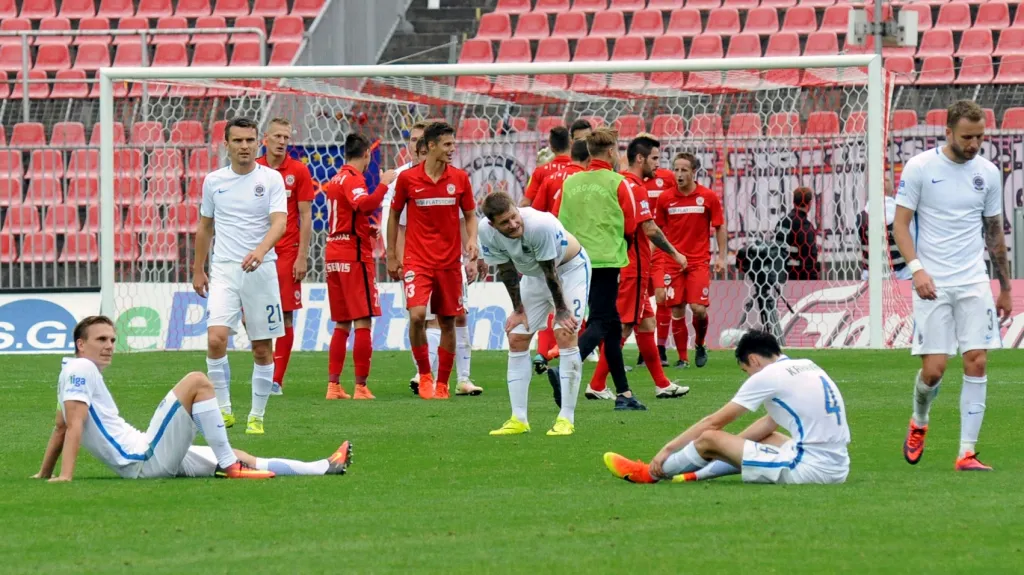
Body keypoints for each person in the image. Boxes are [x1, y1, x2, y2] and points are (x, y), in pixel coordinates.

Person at [32, 316, 352, 481]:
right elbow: (73, 426)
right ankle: (230, 466)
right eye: (101, 339)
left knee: (238, 453)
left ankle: (323, 467)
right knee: (197, 381)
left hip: (146, 456)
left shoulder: (71, 372)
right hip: (143, 459)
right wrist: (65, 476)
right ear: (80, 344)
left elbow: (60, 427)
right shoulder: (81, 368)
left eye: (113, 339)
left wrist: (45, 473)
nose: (109, 345)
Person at [892, 99, 1011, 472]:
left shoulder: (989, 173)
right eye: (967, 137)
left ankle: (967, 452)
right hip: (933, 282)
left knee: (977, 361)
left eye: (980, 137)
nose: (974, 144)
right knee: (935, 370)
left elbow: (994, 232)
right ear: (948, 132)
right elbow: (899, 224)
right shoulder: (921, 167)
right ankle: (919, 421)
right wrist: (917, 270)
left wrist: (1004, 286)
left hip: (974, 279)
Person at [603, 330, 850, 485]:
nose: (748, 376)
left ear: (753, 360)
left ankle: (649, 473)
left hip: (811, 470)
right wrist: (726, 449)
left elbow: (713, 423)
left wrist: (668, 449)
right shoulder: (806, 364)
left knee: (709, 438)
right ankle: (694, 473)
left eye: (746, 371)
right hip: (838, 464)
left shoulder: (768, 376)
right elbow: (769, 422)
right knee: (766, 437)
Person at [193, 117, 286, 435]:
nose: (244, 146)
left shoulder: (271, 179)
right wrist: (197, 269)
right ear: (226, 145)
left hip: (262, 270)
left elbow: (279, 223)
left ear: (258, 142)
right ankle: (224, 410)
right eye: (238, 141)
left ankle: (257, 416)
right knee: (216, 338)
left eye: (250, 140)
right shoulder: (213, 181)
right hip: (224, 271)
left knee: (261, 347)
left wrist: (260, 252)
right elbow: (205, 226)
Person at [580, 136, 689, 400]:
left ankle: (662, 384)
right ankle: (595, 384)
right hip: (634, 267)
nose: (658, 165)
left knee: (646, 323)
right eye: (654, 158)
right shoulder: (631, 186)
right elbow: (649, 228)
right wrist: (676, 254)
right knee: (622, 327)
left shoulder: (618, 184)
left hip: (622, 264)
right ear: (640, 159)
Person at [480, 193, 591, 436]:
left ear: (517, 208)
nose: (513, 224)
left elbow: (550, 272)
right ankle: (518, 419)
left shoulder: (540, 225)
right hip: (534, 276)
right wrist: (518, 309)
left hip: (569, 270)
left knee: (565, 333)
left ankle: (566, 419)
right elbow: (506, 269)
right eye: (505, 223)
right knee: (517, 338)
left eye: (514, 216)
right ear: (492, 225)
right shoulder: (485, 232)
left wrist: (561, 311)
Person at [386, 121, 480, 400]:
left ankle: (443, 384)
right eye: (447, 144)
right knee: (416, 316)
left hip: (450, 263)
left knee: (448, 322)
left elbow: (471, 215)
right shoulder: (408, 179)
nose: (453, 149)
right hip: (417, 260)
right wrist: (392, 254)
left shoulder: (460, 178)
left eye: (453, 144)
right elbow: (394, 216)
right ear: (430, 147)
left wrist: (472, 240)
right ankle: (425, 374)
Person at [553, 127, 645, 411]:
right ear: (610, 152)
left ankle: (624, 394)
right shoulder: (619, 183)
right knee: (602, 323)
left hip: (576, 260)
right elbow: (632, 223)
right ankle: (567, 366)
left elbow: (559, 219)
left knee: (612, 325)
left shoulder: (570, 183)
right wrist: (622, 243)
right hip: (606, 260)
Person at [321, 133, 396, 400]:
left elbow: (348, 216)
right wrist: (384, 184)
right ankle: (361, 386)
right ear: (366, 154)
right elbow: (364, 205)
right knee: (363, 319)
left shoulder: (334, 180)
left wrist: (366, 230)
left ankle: (333, 386)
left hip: (334, 254)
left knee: (342, 323)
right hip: (353, 257)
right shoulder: (353, 178)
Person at [255, 117, 315, 397]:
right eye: (277, 136)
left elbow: (305, 216)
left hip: (287, 253)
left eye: (286, 137)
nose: (282, 141)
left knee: (286, 316)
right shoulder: (253, 169)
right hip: (256, 252)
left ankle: (275, 380)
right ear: (265, 138)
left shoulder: (298, 171)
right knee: (252, 316)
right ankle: (265, 367)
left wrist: (302, 256)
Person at [654, 152, 727, 370]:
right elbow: (657, 229)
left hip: (698, 262)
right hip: (672, 262)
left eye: (684, 170)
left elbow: (719, 226)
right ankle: (683, 358)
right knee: (676, 308)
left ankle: (700, 343)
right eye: (676, 169)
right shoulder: (665, 198)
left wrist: (722, 256)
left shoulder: (708, 197)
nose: (679, 174)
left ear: (694, 172)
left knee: (698, 309)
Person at [531, 139, 590, 371]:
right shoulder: (587, 182)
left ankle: (542, 352)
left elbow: (537, 212)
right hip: (581, 249)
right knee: (584, 303)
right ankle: (571, 347)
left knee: (553, 301)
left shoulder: (550, 178)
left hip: (552, 247)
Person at [640, 136, 677, 368]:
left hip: (661, 247)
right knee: (640, 300)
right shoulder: (629, 180)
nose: (658, 163)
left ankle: (661, 349)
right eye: (654, 158)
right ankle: (645, 350)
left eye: (658, 158)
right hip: (637, 251)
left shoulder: (667, 179)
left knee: (662, 297)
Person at [857, 174, 910, 281]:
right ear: (893, 191)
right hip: (903, 277)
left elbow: (857, 242)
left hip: (871, 277)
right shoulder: (903, 214)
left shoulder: (860, 217)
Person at [774, 186, 819, 281]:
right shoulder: (806, 226)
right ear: (810, 204)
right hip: (802, 281)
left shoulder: (782, 222)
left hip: (782, 278)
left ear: (793, 203)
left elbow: (777, 251)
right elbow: (809, 261)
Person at [521, 126, 572, 208]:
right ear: (571, 143)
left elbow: (525, 203)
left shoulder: (540, 171)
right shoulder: (581, 169)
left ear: (552, 148)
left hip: (548, 219)